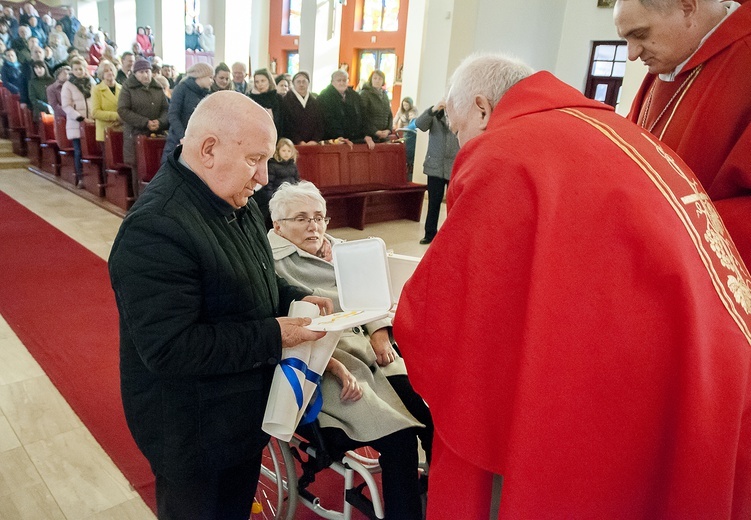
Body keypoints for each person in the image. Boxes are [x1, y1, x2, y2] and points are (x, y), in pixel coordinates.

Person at [393, 52, 751, 519]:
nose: (462, 147)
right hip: (709, 356)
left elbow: (445, 304)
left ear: (482, 108)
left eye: (459, 130)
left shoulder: (506, 149)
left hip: (632, 365)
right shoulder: (615, 131)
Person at [109, 90, 332, 520]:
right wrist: (275, 334)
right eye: (254, 159)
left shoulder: (237, 197)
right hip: (192, 435)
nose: (265, 176)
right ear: (208, 149)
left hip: (239, 420)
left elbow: (253, 273)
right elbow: (170, 349)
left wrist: (293, 296)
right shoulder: (156, 229)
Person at [268, 180, 433, 520]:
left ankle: (442, 497)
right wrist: (336, 367)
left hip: (370, 353)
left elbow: (372, 298)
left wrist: (380, 333)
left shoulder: (341, 249)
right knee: (398, 439)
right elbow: (285, 333)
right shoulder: (271, 265)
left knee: (431, 417)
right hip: (323, 365)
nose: (314, 226)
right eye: (302, 218)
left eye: (319, 217)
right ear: (278, 226)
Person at [614, 0, 751, 266]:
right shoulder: (669, 63)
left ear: (687, 8)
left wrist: (669, 227)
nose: (632, 54)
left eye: (641, 35)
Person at [117, 58, 169, 197]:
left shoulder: (157, 88)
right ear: (135, 74)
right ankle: (139, 204)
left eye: (147, 71)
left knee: (157, 171)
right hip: (135, 135)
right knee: (139, 171)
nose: (145, 75)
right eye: (141, 72)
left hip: (156, 136)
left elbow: (166, 109)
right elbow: (123, 110)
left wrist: (160, 122)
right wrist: (145, 122)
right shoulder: (128, 88)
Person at [413, 101, 459, 245]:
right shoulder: (434, 115)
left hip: (454, 166)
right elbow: (419, 124)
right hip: (435, 166)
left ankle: (451, 235)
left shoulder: (460, 115)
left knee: (454, 204)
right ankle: (430, 233)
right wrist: (433, 109)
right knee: (434, 202)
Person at [161, 62, 214, 162]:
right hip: (177, 140)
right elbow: (173, 115)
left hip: (196, 140)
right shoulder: (181, 89)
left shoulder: (206, 93)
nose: (212, 81)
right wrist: (182, 136)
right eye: (210, 77)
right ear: (200, 76)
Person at [317, 69, 376, 149]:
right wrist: (339, 137)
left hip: (355, 140)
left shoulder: (354, 96)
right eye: (339, 80)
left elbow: (364, 116)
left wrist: (366, 135)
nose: (342, 83)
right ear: (332, 82)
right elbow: (328, 120)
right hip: (335, 141)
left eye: (344, 80)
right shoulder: (324, 97)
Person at [61, 57, 95, 187]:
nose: (79, 71)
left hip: (92, 121)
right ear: (72, 71)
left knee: (91, 150)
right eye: (76, 69)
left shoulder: (91, 82)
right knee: (79, 151)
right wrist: (80, 118)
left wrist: (93, 116)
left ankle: (92, 177)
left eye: (81, 69)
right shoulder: (68, 85)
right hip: (76, 124)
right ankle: (80, 177)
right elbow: (66, 106)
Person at [253, 138, 301, 228]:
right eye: (283, 150)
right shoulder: (272, 165)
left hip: (290, 196)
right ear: (278, 151)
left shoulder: (293, 165)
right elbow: (268, 185)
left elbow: (297, 181)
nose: (286, 153)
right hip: (276, 197)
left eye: (289, 151)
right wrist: (271, 198)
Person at [281, 71, 324, 145]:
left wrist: (315, 139)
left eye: (304, 82)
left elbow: (320, 122)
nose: (301, 84)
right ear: (293, 84)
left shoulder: (315, 100)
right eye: (298, 82)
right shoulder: (286, 100)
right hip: (292, 144)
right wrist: (298, 141)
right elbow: (287, 124)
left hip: (313, 143)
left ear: (308, 83)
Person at [359, 70, 393, 143]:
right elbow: (362, 116)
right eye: (375, 78)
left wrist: (388, 130)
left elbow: (389, 114)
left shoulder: (385, 95)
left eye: (380, 79)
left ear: (383, 81)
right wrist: (375, 131)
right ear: (371, 80)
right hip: (370, 136)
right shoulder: (365, 94)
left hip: (384, 136)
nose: (377, 81)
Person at [91, 60, 121, 142]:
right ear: (101, 74)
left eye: (111, 70)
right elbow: (95, 112)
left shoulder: (122, 89)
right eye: (106, 71)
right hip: (105, 133)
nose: (110, 72)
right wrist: (117, 116)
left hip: (121, 131)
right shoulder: (97, 89)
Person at [247, 68, 283, 136]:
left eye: (263, 81)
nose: (260, 84)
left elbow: (282, 121)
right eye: (257, 82)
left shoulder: (278, 98)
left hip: (276, 135)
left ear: (269, 81)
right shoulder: (251, 99)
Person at [393, 97, 418, 179]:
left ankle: (409, 167)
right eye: (404, 105)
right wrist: (393, 126)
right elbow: (395, 120)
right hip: (403, 132)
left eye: (407, 105)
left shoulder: (413, 111)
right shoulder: (400, 111)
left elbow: (412, 125)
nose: (405, 107)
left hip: (411, 133)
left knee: (409, 150)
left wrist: (403, 129)